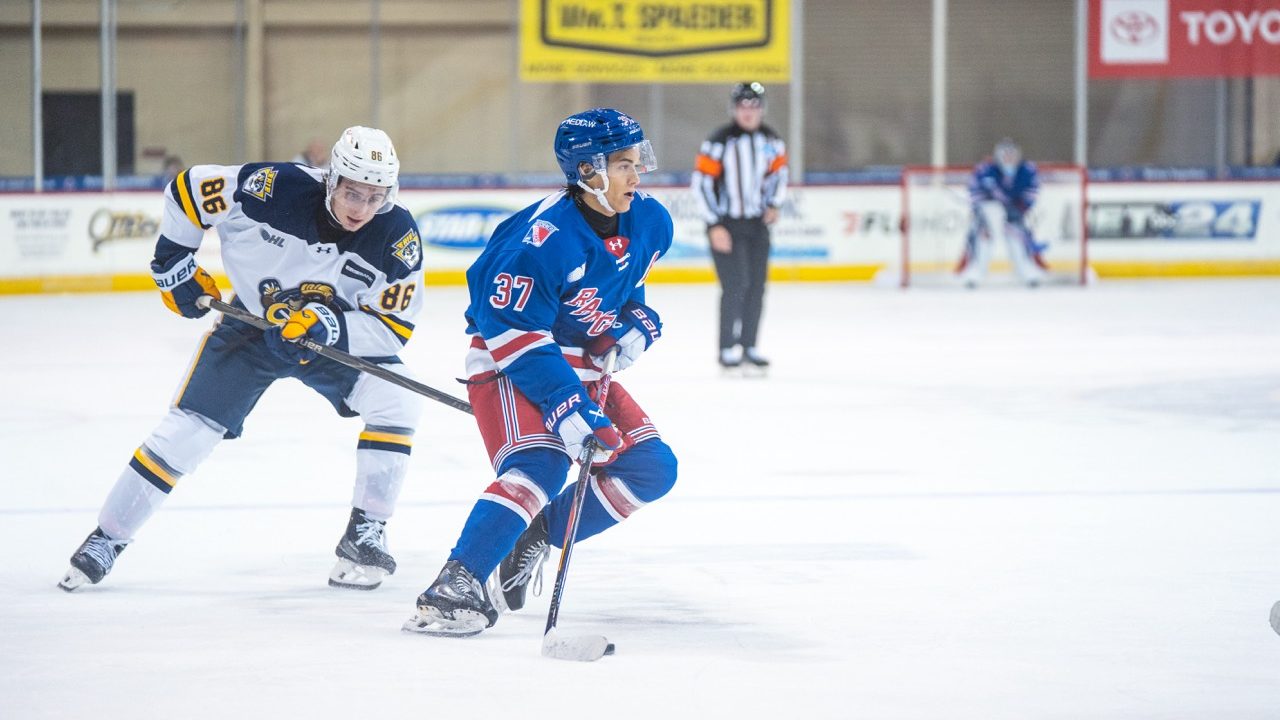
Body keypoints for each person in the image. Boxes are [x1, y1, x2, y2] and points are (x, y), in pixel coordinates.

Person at [58, 126, 426, 593]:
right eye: (353, 192)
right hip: (251, 328)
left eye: (375, 196)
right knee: (187, 432)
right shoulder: (274, 187)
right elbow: (190, 188)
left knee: (398, 400)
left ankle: (366, 532)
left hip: (329, 343)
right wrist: (174, 262)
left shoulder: (396, 236)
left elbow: (395, 326)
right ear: (331, 180)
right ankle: (106, 539)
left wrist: (328, 326)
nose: (361, 208)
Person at [403, 108, 678, 637]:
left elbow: (620, 283)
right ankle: (454, 584)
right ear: (588, 171)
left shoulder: (650, 221)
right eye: (624, 165)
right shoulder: (537, 240)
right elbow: (508, 328)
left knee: (652, 467)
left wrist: (633, 321)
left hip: (580, 363)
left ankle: (538, 532)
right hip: (512, 361)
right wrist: (563, 401)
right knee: (543, 462)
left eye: (637, 161)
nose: (638, 176)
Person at [691, 81, 788, 371]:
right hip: (726, 225)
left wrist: (774, 204)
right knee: (734, 285)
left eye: (754, 106)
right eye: (743, 106)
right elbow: (702, 184)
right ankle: (726, 348)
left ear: (762, 110)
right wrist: (714, 224)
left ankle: (749, 345)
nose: (748, 112)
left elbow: (778, 176)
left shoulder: (772, 141)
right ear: (734, 109)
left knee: (756, 286)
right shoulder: (719, 141)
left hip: (757, 225)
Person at [958, 138, 1047, 288]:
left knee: (1017, 240)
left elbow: (1032, 192)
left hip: (1014, 215)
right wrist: (983, 208)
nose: (1009, 159)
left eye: (1012, 155)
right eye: (1005, 155)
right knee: (983, 238)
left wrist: (1020, 208)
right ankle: (975, 272)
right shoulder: (985, 170)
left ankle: (1026, 271)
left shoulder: (1026, 171)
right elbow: (974, 191)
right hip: (989, 214)